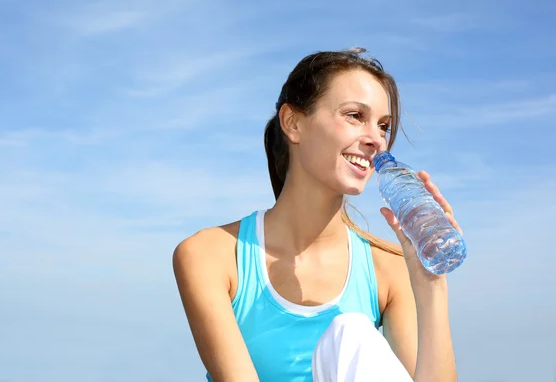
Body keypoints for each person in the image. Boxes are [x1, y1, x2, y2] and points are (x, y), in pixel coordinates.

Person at [172, 48, 461, 382]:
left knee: (354, 335)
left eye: (383, 126)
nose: (376, 140)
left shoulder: (389, 267)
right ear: (293, 124)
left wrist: (432, 285)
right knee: (350, 332)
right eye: (355, 116)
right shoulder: (212, 255)